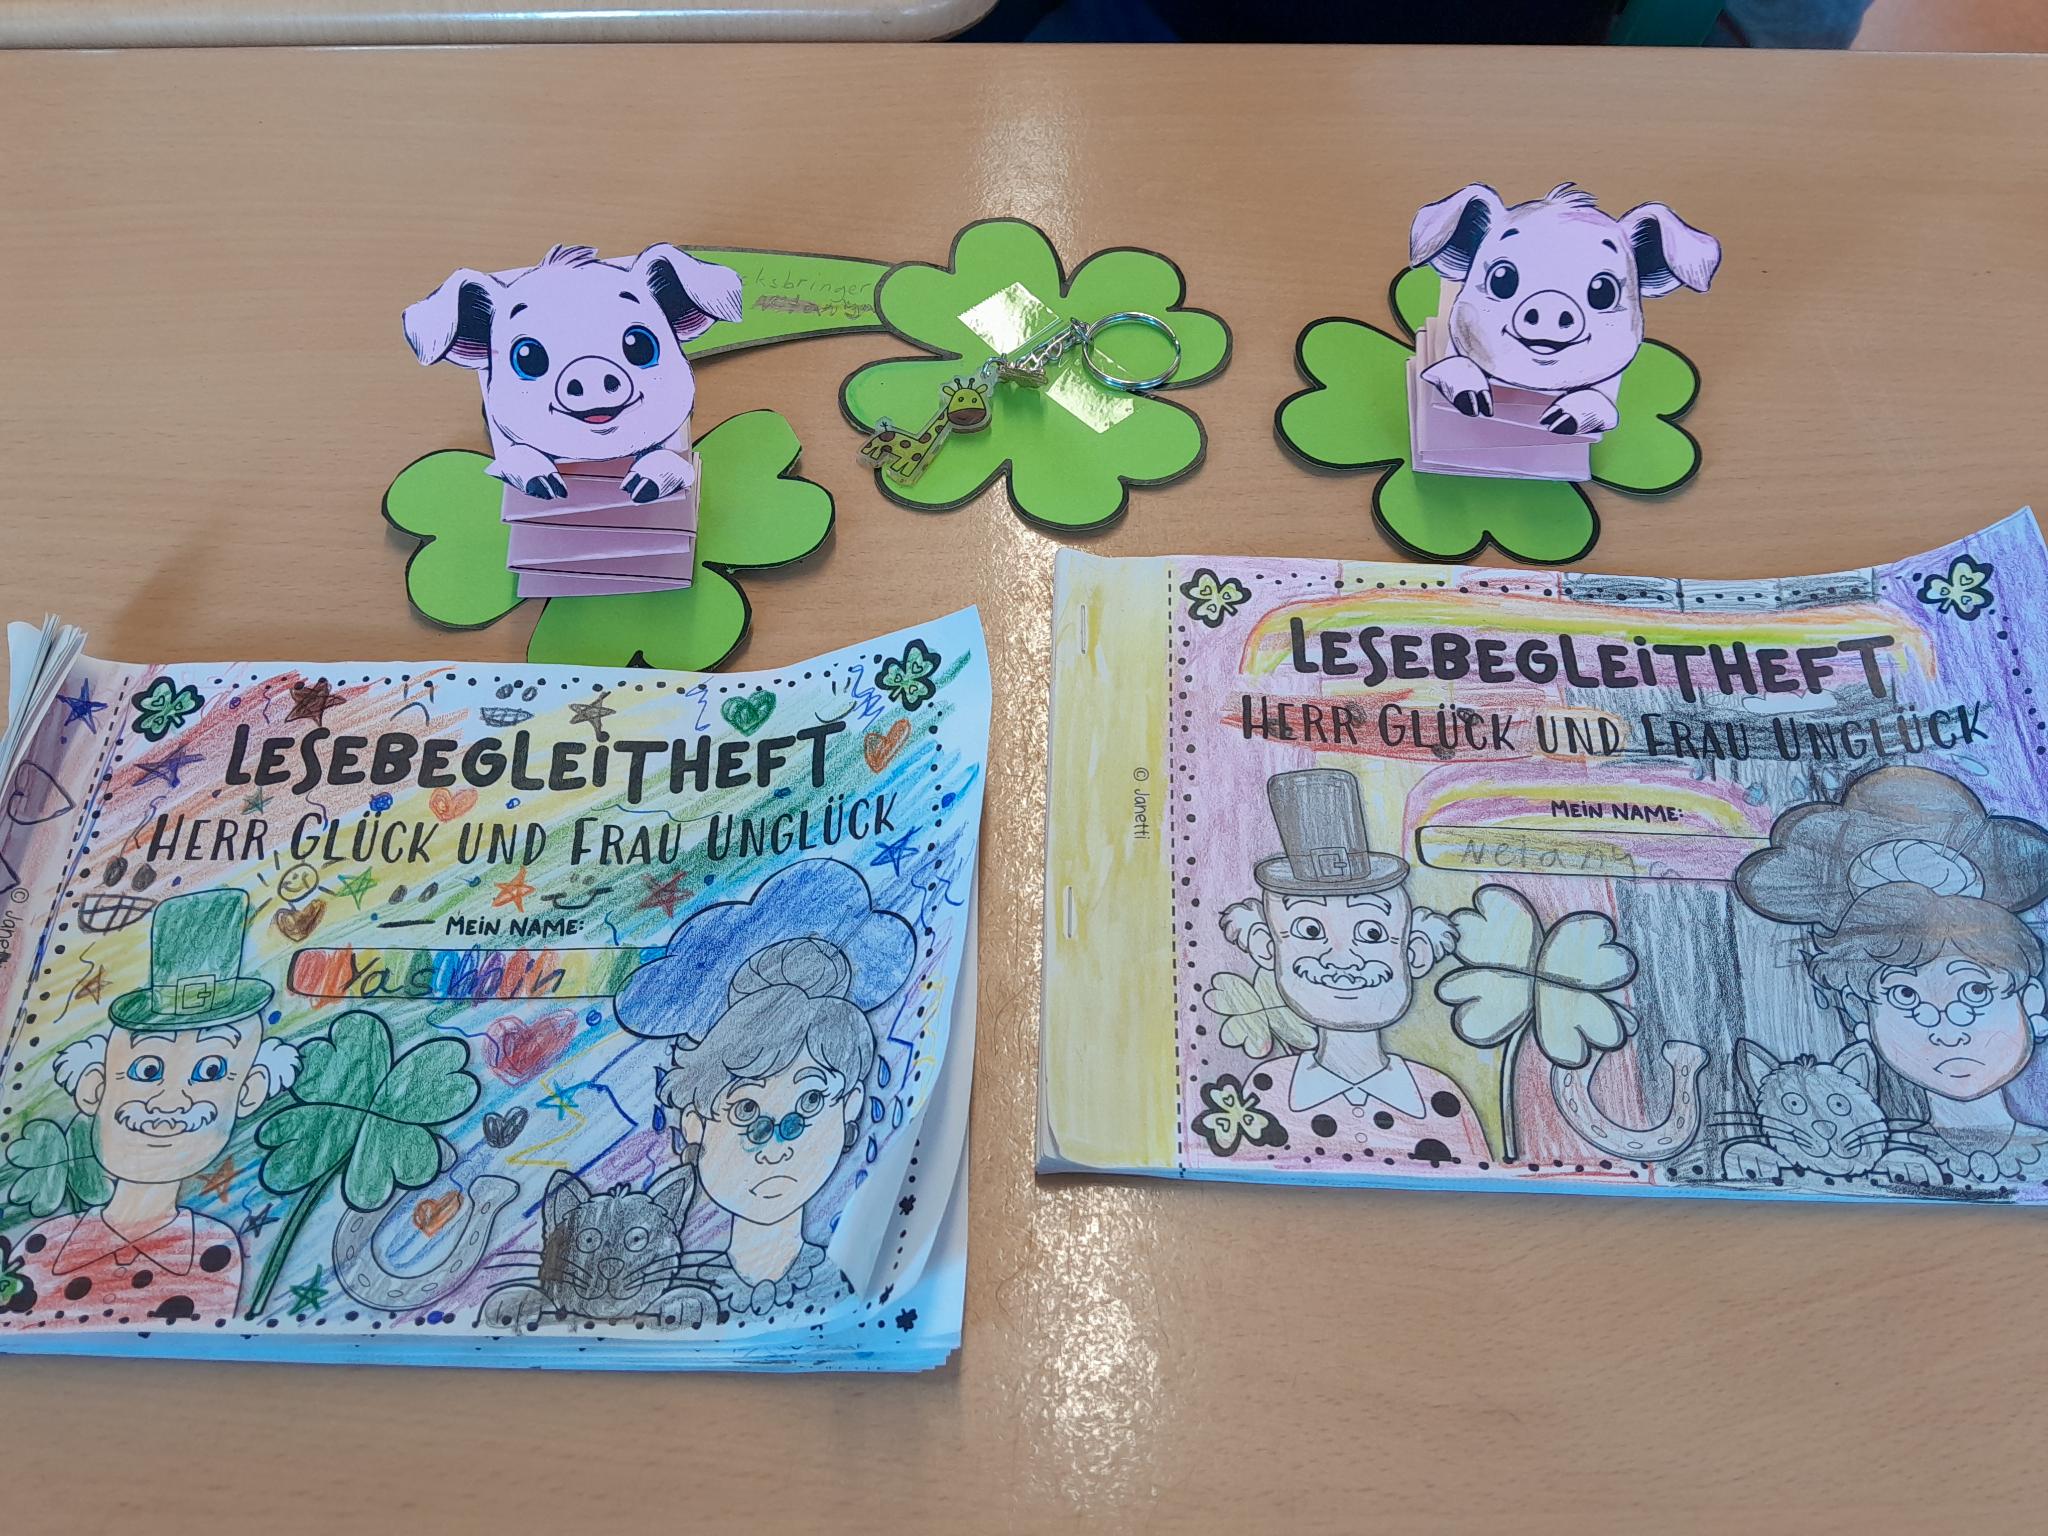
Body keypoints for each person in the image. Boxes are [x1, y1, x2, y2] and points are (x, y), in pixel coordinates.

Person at [615, 860, 915, 1320]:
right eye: (746, 1109)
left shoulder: (850, 1293)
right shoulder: (676, 1298)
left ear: (849, 1106)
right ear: (695, 1123)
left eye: (811, 1100)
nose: (777, 1148)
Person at [1736, 766, 2048, 1184]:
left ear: (2031, 1002)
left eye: (1975, 990)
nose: (1947, 1032)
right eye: (1905, 995)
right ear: (1862, 1016)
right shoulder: (1874, 1164)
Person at [12, 890, 298, 1320]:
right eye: (147, 1069)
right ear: (94, 1086)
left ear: (249, 1091)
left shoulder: (213, 1255)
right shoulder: (41, 1248)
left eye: (210, 1070)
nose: (170, 1101)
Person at [1201, 769, 1490, 1167]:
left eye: (1371, 932)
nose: (1343, 958)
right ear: (1268, 947)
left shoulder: (1439, 1099)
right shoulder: (1265, 1094)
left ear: (1415, 951)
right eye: (1309, 930)